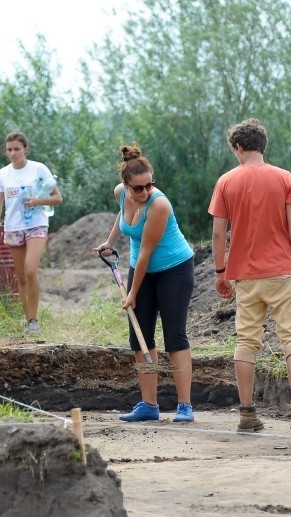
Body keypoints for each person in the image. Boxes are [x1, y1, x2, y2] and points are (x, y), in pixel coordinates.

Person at [208, 118, 291, 435]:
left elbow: (218, 234)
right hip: (281, 271)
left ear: (238, 148)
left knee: (247, 342)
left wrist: (220, 272)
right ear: (261, 146)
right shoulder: (284, 178)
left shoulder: (226, 182)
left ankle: (247, 413)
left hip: (245, 275)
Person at [94, 144, 195, 423]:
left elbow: (147, 254)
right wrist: (110, 242)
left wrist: (132, 294)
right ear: (126, 187)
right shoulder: (121, 194)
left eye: (149, 185)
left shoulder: (159, 204)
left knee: (175, 336)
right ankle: (149, 404)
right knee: (140, 338)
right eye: (138, 188)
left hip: (173, 269)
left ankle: (184, 405)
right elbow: (122, 218)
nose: (145, 191)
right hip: (141, 269)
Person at [0, 130, 63, 335]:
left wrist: (38, 201)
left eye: (17, 149)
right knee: (20, 277)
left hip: (37, 224)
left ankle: (34, 320)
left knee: (30, 270)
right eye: (9, 150)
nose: (13, 153)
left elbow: (58, 198)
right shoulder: (3, 174)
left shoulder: (38, 169)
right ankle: (29, 320)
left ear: (25, 150)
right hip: (13, 227)